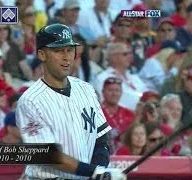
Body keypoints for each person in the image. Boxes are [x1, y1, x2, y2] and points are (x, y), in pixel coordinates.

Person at [16, 24, 125, 180]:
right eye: (58, 51)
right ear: (41, 54)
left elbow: (101, 138)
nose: (66, 57)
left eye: (69, 50)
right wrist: (93, 172)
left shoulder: (86, 89)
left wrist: (99, 169)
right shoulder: (30, 101)